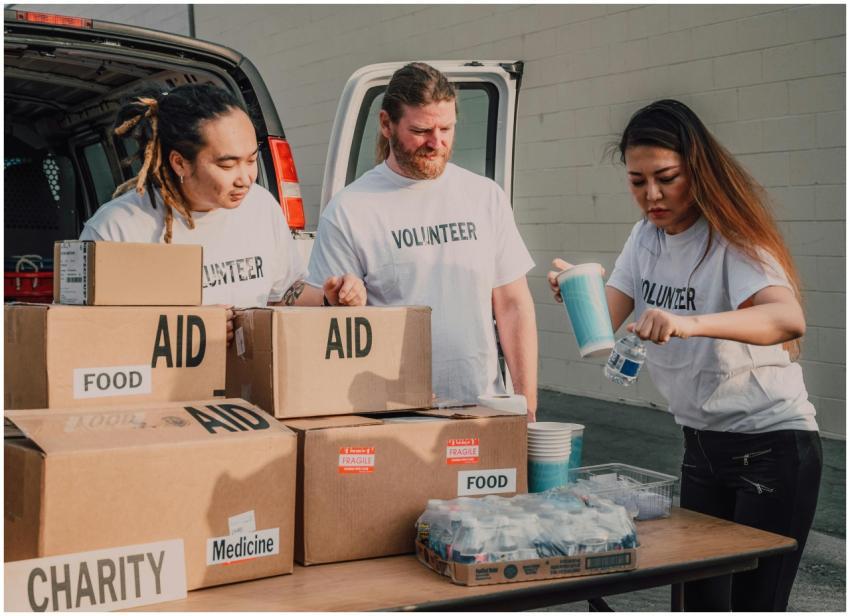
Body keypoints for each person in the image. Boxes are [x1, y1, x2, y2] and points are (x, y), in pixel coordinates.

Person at [548, 99, 821, 611]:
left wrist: (689, 323)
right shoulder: (646, 237)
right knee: (695, 604)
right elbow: (604, 326)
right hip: (701, 446)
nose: (651, 195)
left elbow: (787, 319)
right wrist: (574, 288)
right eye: (636, 181)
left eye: (666, 177)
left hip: (771, 447)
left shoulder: (732, 238)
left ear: (695, 169)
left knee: (752, 606)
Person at [307, 63, 538, 420]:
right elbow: (333, 332)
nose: (437, 143)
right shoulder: (350, 210)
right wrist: (338, 300)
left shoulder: (484, 197)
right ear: (387, 125)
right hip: (393, 415)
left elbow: (512, 305)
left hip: (483, 408)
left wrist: (527, 406)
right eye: (420, 130)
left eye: (446, 128)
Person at [81, 83, 366, 342]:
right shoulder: (115, 231)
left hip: (247, 389)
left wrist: (330, 299)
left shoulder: (261, 206)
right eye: (228, 165)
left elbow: (283, 296)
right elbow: (83, 335)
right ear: (180, 163)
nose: (245, 178)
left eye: (252, 159)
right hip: (159, 395)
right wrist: (189, 330)